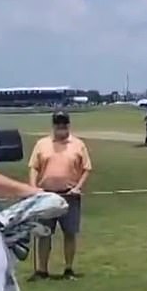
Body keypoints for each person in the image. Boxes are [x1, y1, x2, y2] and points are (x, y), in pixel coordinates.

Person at [27, 111, 92, 280]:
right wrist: (33, 188)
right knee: (44, 233)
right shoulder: (42, 144)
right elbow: (34, 167)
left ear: (68, 125)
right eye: (58, 124)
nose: (61, 127)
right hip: (46, 196)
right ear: (53, 125)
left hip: (70, 196)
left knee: (70, 233)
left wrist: (78, 187)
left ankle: (68, 269)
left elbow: (86, 168)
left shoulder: (78, 144)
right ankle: (42, 271)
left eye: (64, 124)